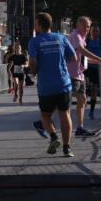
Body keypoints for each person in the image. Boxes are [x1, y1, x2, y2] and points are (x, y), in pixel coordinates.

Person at [27, 12, 77, 157]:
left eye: (35, 24)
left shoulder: (35, 42)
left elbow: (33, 62)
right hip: (63, 83)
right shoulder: (61, 38)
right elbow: (73, 57)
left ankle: (54, 137)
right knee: (65, 114)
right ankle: (67, 148)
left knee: (45, 115)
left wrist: (33, 72)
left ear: (39, 25)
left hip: (46, 86)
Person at [67, 16, 101, 137]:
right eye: (85, 26)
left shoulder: (82, 38)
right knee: (65, 101)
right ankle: (45, 119)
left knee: (83, 99)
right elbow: (81, 50)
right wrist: (99, 58)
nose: (87, 28)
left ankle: (80, 128)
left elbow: (83, 58)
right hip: (71, 74)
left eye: (88, 26)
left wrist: (99, 62)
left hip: (79, 74)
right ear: (78, 25)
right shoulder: (75, 36)